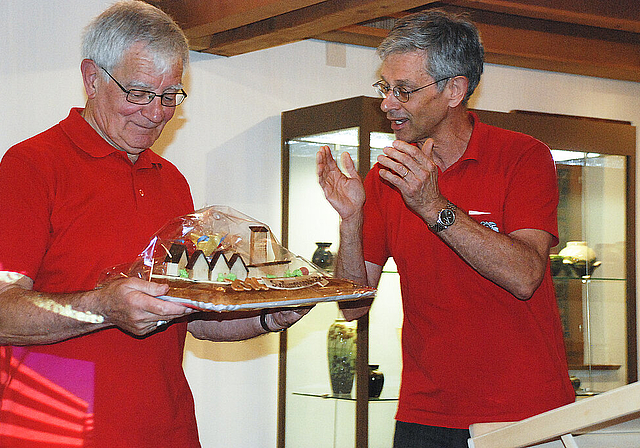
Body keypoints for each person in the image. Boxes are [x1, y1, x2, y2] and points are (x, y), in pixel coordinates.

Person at [0, 2, 307, 447]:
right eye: (139, 93)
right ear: (92, 77)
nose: (156, 113)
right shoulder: (31, 166)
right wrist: (102, 307)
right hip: (54, 430)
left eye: (169, 96)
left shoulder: (172, 182)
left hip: (167, 429)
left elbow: (192, 315)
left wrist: (267, 317)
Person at [317, 10, 575, 448]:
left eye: (403, 90)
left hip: (526, 412)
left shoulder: (523, 157)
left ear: (454, 89)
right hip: (426, 414)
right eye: (385, 88)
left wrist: (434, 206)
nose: (388, 104)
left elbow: (526, 275)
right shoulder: (386, 177)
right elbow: (352, 307)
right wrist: (351, 220)